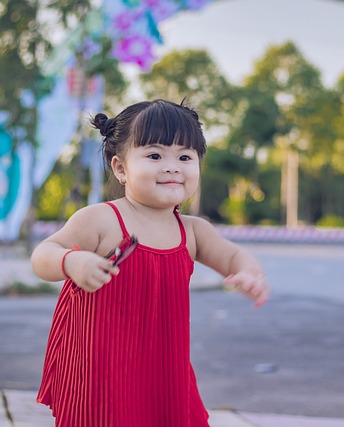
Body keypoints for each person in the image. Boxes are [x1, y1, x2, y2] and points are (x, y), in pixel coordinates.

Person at [31, 99, 270, 426]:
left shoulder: (193, 231)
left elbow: (232, 256)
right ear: (121, 168)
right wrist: (71, 261)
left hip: (166, 373)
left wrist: (249, 272)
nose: (172, 166)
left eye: (185, 157)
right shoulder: (101, 219)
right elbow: (43, 255)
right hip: (104, 376)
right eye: (155, 155)